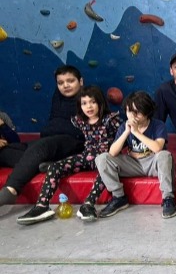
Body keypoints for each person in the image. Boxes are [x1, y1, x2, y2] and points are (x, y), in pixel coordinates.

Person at [16, 86, 122, 225]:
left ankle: (88, 205)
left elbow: (123, 137)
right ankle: (42, 206)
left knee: (105, 172)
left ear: (100, 103)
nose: (89, 106)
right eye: (84, 103)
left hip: (105, 158)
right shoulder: (80, 120)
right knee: (55, 167)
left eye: (93, 102)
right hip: (87, 156)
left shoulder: (111, 120)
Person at [0, 65, 85, 206]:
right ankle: (48, 164)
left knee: (41, 147)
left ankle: (11, 190)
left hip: (72, 141)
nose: (65, 85)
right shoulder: (58, 96)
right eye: (60, 83)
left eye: (70, 81)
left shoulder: (88, 97)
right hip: (48, 142)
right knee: (5, 151)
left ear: (81, 81)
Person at [90, 91, 176, 220]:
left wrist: (136, 133)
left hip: (152, 163)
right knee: (102, 158)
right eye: (129, 111)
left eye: (137, 112)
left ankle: (168, 198)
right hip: (133, 163)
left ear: (147, 112)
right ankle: (118, 197)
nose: (133, 116)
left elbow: (157, 148)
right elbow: (112, 153)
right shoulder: (124, 127)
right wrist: (126, 132)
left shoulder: (158, 125)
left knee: (164, 155)